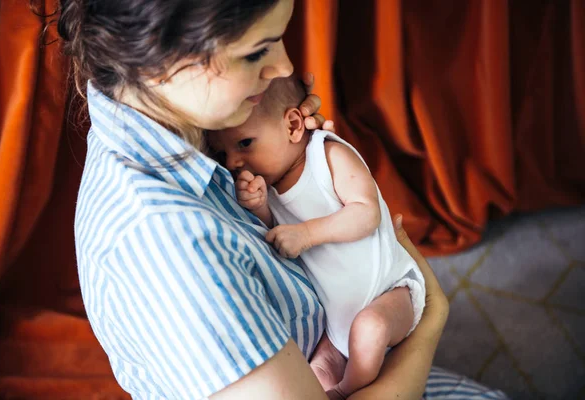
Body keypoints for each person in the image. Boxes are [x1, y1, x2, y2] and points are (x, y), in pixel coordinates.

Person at [59, 0, 510, 398]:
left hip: (335, 338)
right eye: (256, 50)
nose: (284, 66)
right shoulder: (167, 243)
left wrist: (289, 156)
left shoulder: (169, 115)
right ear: (160, 60)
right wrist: (429, 327)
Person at [207, 75, 426, 399]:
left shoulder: (328, 155)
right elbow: (280, 235)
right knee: (316, 373)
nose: (235, 162)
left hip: (390, 289)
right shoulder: (270, 186)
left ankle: (347, 391)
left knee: (371, 330)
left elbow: (366, 215)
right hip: (338, 321)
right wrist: (261, 208)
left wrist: (306, 234)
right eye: (223, 154)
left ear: (294, 125)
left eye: (244, 144)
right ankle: (340, 385)